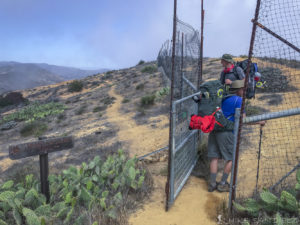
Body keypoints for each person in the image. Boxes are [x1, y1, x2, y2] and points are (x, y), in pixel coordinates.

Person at [207, 80, 265, 192]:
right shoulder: (239, 100)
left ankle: (212, 184)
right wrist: (259, 122)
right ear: (239, 90)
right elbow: (243, 120)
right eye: (243, 89)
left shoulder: (222, 98)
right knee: (232, 158)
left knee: (214, 157)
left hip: (214, 129)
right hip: (226, 132)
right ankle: (222, 184)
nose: (245, 91)